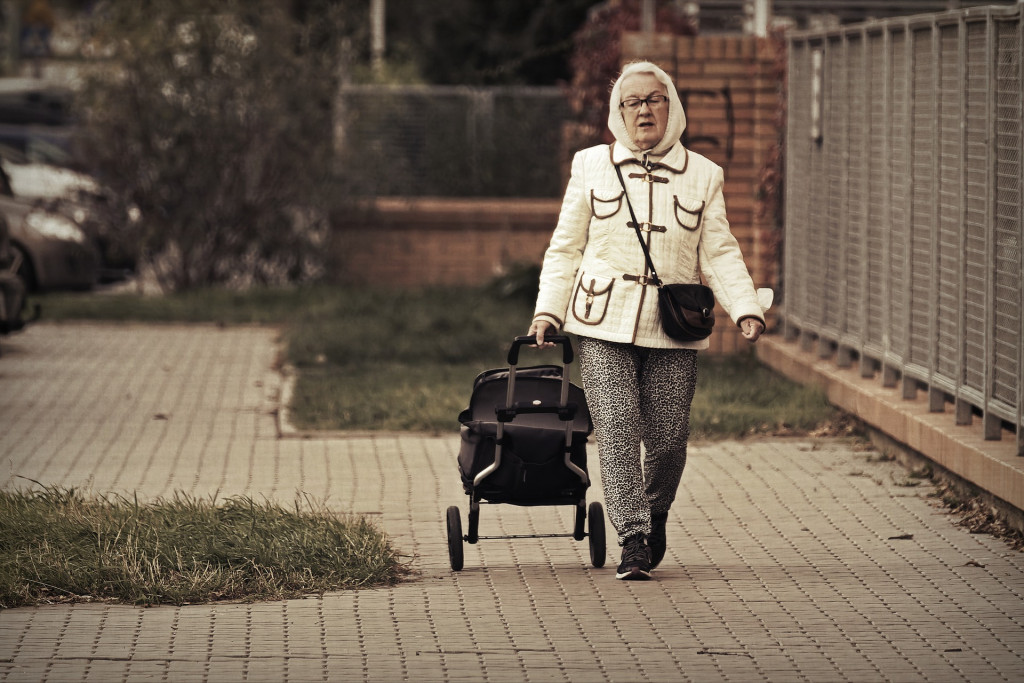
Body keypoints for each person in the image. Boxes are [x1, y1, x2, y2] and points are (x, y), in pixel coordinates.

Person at [529, 60, 766, 580]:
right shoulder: (591, 165)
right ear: (617, 113)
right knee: (615, 427)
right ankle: (632, 537)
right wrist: (548, 310)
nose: (643, 110)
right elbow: (565, 248)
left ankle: (655, 513)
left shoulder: (704, 174)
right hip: (600, 320)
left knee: (667, 440)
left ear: (672, 107)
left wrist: (745, 307)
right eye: (631, 102)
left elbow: (720, 253)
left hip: (674, 325)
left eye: (653, 100)